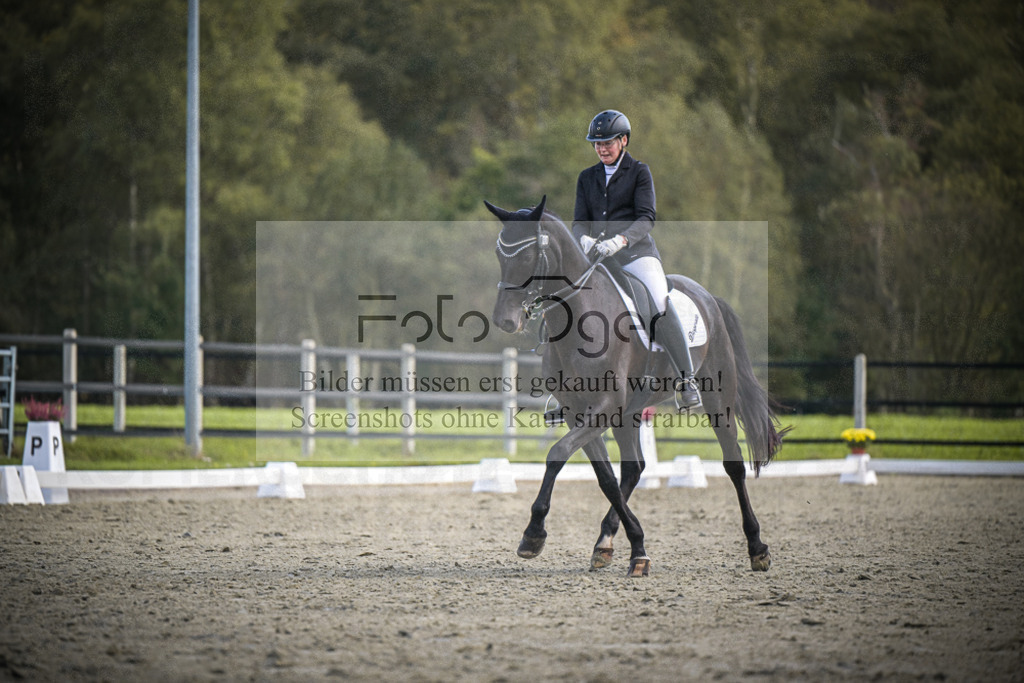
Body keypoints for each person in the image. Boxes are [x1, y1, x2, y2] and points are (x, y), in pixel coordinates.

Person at [571, 109, 702, 413]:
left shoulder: (639, 172)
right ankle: (569, 388)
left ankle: (687, 379)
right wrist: (584, 240)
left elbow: (647, 217)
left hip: (636, 255)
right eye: (597, 144)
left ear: (623, 140)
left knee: (657, 302)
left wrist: (621, 240)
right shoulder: (586, 178)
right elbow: (579, 221)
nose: (602, 148)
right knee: (572, 303)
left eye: (608, 143)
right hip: (598, 258)